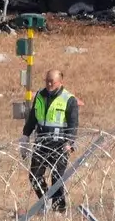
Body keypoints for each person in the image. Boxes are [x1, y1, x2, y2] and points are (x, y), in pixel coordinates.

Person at [22, 70, 79, 212]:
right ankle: (44, 201)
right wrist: (25, 136)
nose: (48, 84)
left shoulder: (69, 99)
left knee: (57, 178)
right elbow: (32, 118)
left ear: (60, 82)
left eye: (51, 82)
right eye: (46, 81)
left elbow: (73, 124)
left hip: (59, 145)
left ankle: (59, 209)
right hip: (41, 142)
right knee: (35, 175)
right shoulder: (40, 95)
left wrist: (69, 142)